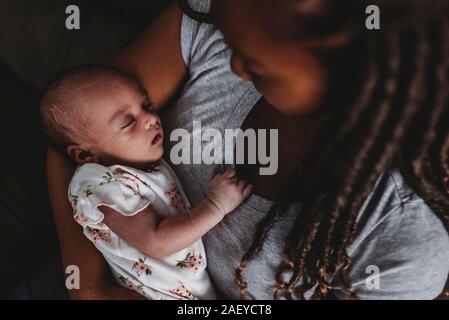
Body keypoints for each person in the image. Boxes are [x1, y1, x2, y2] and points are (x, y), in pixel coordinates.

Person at [47, 0, 449, 299]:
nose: (236, 67)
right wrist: (90, 288)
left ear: (350, 60)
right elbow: (74, 131)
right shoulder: (226, 10)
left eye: (255, 61)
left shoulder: (401, 241)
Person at [40, 64, 252, 299]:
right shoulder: (101, 184)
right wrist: (216, 205)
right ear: (86, 156)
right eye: (128, 122)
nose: (151, 118)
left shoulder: (141, 166)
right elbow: (156, 242)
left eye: (146, 106)